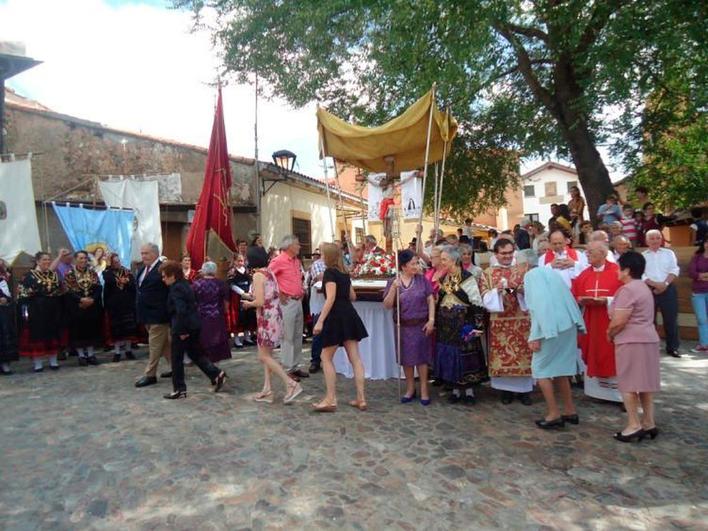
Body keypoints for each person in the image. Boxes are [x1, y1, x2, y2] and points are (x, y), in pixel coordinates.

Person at [608, 251, 661, 442]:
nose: (617, 271)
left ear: (627, 270)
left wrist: (610, 333)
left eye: (619, 267)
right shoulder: (644, 287)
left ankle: (633, 424)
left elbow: (619, 321)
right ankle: (648, 422)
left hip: (631, 340)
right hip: (648, 338)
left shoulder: (628, 290)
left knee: (629, 384)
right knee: (645, 384)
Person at [525, 266, 586, 429]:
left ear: (524, 264)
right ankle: (569, 410)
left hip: (551, 327)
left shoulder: (531, 275)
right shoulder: (552, 273)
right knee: (561, 369)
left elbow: (538, 306)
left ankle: (553, 413)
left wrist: (535, 335)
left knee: (540, 369)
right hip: (568, 323)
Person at [158, 261, 227, 399]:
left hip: (183, 327)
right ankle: (216, 373)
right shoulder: (185, 284)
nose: (163, 279)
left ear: (173, 275)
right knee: (196, 354)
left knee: (177, 358)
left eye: (165, 276)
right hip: (194, 325)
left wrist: (182, 331)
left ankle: (179, 389)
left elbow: (181, 311)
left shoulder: (176, 288)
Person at [312, 243, 368, 412]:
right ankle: (361, 398)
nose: (320, 255)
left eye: (322, 253)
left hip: (336, 317)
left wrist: (320, 321)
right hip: (349, 315)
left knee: (325, 357)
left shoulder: (329, 273)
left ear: (327, 255)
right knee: (355, 358)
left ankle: (330, 399)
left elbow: (330, 298)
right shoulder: (344, 273)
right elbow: (353, 296)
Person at [241, 252, 302, 404]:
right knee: (268, 355)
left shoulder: (257, 275)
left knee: (263, 356)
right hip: (275, 316)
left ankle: (290, 384)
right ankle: (267, 389)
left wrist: (248, 304)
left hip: (266, 318)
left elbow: (260, 301)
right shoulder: (270, 273)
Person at [431, 246, 488, 404]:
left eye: (444, 259)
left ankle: (469, 392)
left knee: (466, 356)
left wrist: (478, 326)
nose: (441, 263)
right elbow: (439, 301)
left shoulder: (467, 278)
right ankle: (455, 390)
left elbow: (476, 302)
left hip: (464, 324)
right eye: (441, 259)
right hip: (446, 326)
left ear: (454, 260)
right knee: (450, 354)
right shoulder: (444, 279)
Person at [479, 239, 533, 405]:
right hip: (500, 322)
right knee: (504, 357)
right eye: (503, 253)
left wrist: (523, 290)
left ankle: (525, 392)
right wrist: (497, 292)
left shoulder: (523, 269)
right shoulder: (487, 273)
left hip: (521, 319)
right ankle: (506, 391)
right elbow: (484, 296)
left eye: (510, 253)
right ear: (496, 254)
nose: (507, 256)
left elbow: (532, 290)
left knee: (523, 356)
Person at [572, 242, 623, 402]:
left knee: (614, 356)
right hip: (592, 322)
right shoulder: (584, 274)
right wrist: (581, 300)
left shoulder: (617, 272)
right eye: (586, 252)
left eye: (590, 252)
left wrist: (606, 301)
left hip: (611, 322)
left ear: (602, 253)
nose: (586, 254)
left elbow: (626, 297)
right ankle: (598, 394)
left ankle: (620, 396)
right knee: (593, 352)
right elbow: (574, 295)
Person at [383, 250, 435, 404]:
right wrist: (393, 288)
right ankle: (410, 388)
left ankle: (424, 389)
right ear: (404, 266)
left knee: (422, 358)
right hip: (403, 326)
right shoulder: (394, 281)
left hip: (420, 325)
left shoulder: (422, 280)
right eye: (413, 263)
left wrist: (431, 319)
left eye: (417, 263)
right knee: (407, 359)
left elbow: (430, 299)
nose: (416, 266)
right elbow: (387, 305)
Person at [268, 235, 309, 380]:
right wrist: (278, 293)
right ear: (289, 246)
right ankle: (287, 367)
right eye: (297, 244)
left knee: (298, 335)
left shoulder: (296, 261)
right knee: (288, 335)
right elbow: (267, 278)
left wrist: (302, 291)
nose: (299, 246)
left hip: (297, 301)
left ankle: (295, 365)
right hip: (287, 303)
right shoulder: (278, 261)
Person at [17, 252, 63, 372]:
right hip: (36, 309)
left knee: (52, 332)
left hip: (52, 308)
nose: (47, 262)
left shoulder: (53, 274)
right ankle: (38, 363)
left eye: (48, 259)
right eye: (44, 260)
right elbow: (22, 293)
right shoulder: (28, 276)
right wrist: (34, 292)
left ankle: (53, 361)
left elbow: (58, 290)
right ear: (37, 261)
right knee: (37, 334)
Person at [134, 243, 171, 387]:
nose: (143, 256)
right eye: (142, 253)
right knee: (164, 344)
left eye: (146, 253)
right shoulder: (142, 269)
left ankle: (150, 374)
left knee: (154, 345)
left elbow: (170, 289)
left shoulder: (163, 268)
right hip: (146, 313)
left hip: (159, 314)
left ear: (155, 254)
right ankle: (175, 367)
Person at [642, 229, 681, 357]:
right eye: (652, 238)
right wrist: (655, 285)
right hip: (649, 290)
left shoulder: (669, 253)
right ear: (647, 241)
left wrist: (664, 285)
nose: (655, 240)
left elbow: (674, 269)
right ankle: (651, 347)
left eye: (658, 238)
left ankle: (672, 347)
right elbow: (641, 274)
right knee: (650, 320)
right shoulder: (643, 256)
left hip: (668, 288)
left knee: (670, 319)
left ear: (661, 239)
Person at [64, 251, 104, 366]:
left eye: (85, 258)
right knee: (78, 331)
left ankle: (91, 354)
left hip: (91, 306)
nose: (83, 260)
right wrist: (81, 300)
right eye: (81, 258)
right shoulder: (70, 273)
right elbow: (68, 291)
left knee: (91, 330)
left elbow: (98, 287)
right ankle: (81, 355)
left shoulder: (92, 272)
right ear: (75, 259)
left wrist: (92, 299)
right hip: (77, 306)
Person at [192, 261, 232, 363]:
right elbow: (226, 303)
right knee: (216, 340)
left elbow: (193, 302)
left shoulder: (196, 284)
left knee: (203, 339)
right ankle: (215, 364)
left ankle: (205, 363)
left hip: (201, 316)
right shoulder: (221, 284)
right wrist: (224, 312)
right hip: (217, 315)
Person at [102, 253, 138, 362]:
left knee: (128, 330)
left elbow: (133, 285)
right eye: (115, 262)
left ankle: (128, 350)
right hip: (114, 306)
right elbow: (108, 280)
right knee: (116, 330)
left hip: (127, 305)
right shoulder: (108, 272)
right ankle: (117, 352)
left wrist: (126, 282)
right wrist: (108, 266)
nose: (117, 263)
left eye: (118, 261)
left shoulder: (127, 272)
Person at [227, 254, 256, 348]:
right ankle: (236, 339)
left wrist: (250, 292)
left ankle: (247, 337)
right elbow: (231, 285)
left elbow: (251, 282)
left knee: (248, 315)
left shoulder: (247, 270)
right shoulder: (232, 271)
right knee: (238, 317)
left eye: (242, 261)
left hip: (248, 294)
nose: (240, 263)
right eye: (238, 261)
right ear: (234, 261)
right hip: (237, 296)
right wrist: (242, 293)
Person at [305, 248, 326, 373]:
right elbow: (319, 278)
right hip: (319, 302)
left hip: (333, 301)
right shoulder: (317, 264)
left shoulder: (337, 264)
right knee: (318, 332)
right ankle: (315, 360)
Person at [688, 241, 708, 352]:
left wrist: (700, 276)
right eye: (707, 242)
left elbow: (697, 275)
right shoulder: (696, 257)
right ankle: (704, 345)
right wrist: (704, 276)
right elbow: (691, 273)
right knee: (702, 319)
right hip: (698, 293)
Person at [0, 259, 18, 374]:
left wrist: (6, 299)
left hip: (3, 311)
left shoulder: (2, 280)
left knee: (4, 334)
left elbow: (8, 295)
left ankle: (5, 363)